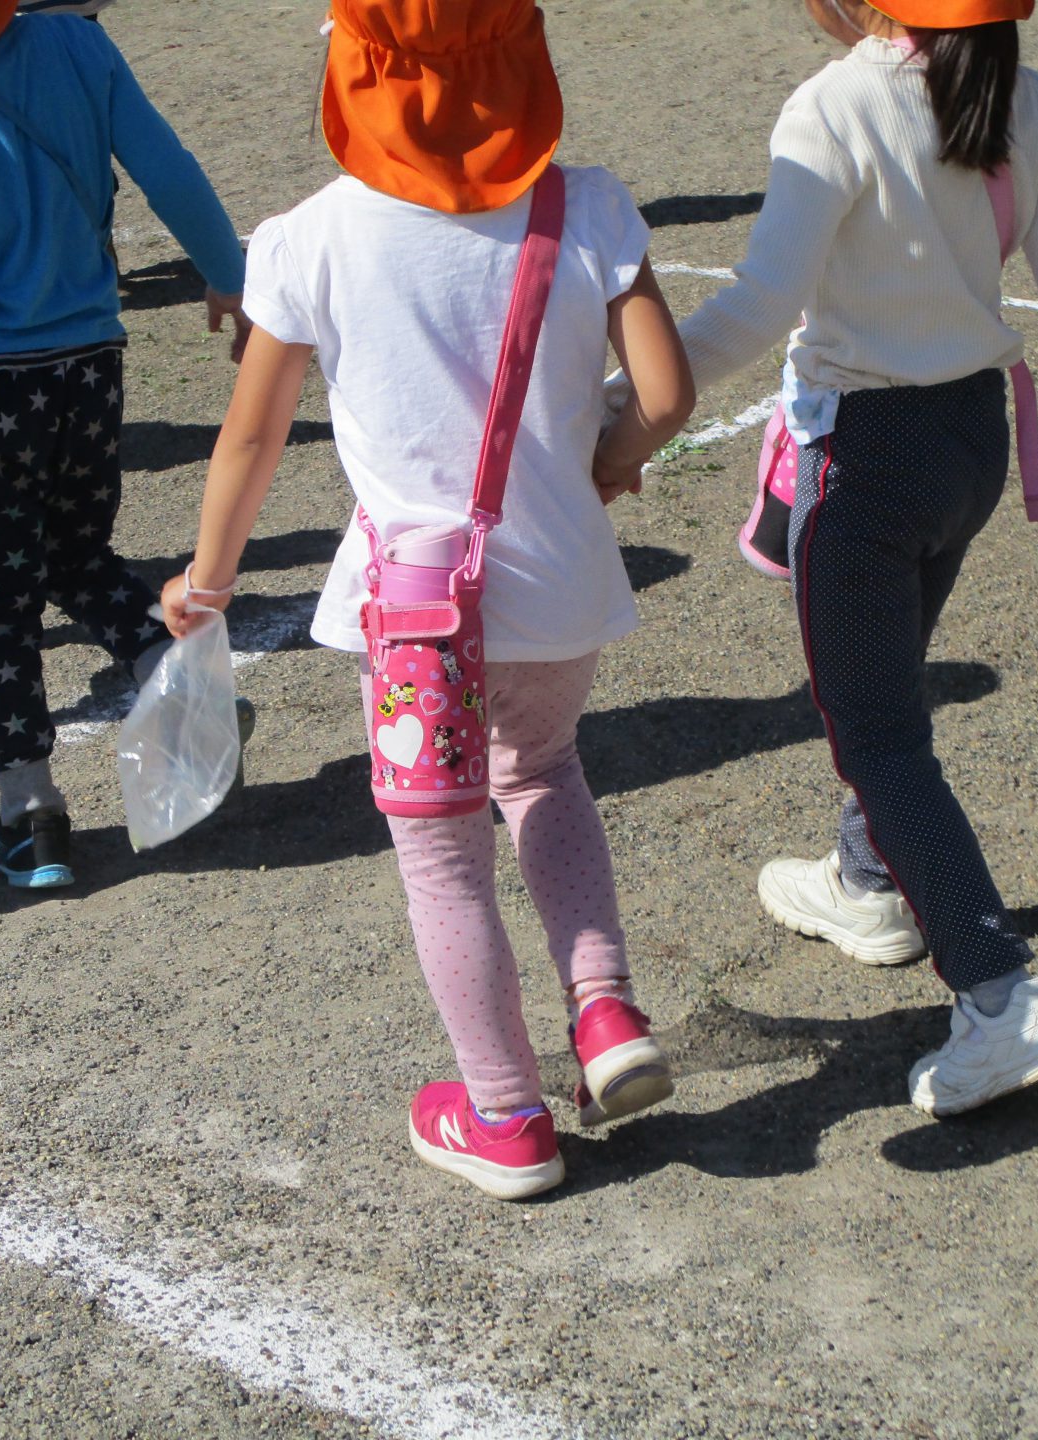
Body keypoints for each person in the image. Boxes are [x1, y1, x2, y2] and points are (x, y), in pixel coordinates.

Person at [162, 0, 696, 1199]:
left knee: (443, 858)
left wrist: (207, 581)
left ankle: (504, 1114)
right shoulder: (588, 207)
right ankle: (605, 1009)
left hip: (414, 615)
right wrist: (608, 462)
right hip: (557, 583)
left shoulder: (309, 239)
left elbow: (250, 441)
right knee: (544, 773)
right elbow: (666, 392)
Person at [668, 0, 1038, 1116]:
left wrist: (622, 404)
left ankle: (1001, 992)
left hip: (866, 459)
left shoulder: (838, 103)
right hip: (970, 442)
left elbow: (759, 304)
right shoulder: (1025, 100)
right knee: (889, 679)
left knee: (879, 734)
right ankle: (866, 881)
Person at [0, 0, 248, 889]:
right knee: (77, 554)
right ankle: (176, 680)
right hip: (92, 363)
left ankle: (30, 817)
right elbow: (166, 168)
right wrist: (229, 275)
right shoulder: (76, 41)